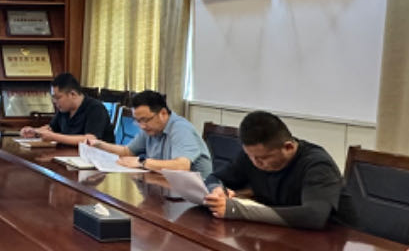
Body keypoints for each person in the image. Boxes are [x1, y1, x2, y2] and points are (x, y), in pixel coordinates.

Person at [204, 110, 354, 229]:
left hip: (334, 240)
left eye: (264, 158)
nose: (256, 163)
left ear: (288, 147)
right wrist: (217, 190)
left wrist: (236, 210)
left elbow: (314, 216)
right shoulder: (252, 157)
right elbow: (214, 178)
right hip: (282, 233)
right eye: (250, 156)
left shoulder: (317, 165)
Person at [85, 91, 212, 178]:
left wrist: (142, 162)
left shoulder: (181, 128)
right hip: (165, 186)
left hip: (197, 197)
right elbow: (127, 151)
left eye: (145, 120)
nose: (142, 126)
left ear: (163, 113)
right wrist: (99, 144)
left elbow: (181, 166)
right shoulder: (150, 129)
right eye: (137, 121)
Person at [20, 73, 114, 146]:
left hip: (95, 159)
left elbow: (90, 140)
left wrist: (54, 137)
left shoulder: (95, 108)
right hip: (69, 155)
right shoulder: (64, 110)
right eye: (53, 98)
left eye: (58, 97)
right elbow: (51, 128)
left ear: (72, 94)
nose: (54, 102)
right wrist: (35, 131)